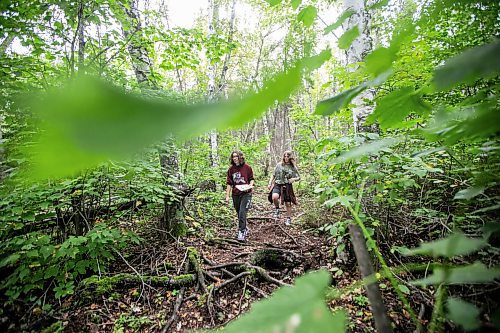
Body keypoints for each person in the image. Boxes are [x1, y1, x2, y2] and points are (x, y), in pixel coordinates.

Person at [226, 150, 254, 241]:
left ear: (240, 157)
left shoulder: (247, 168)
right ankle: (244, 228)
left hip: (246, 193)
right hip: (236, 194)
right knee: (239, 213)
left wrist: (250, 186)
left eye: (236, 156)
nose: (234, 158)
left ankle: (241, 232)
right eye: (233, 157)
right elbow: (229, 183)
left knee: (242, 212)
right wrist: (227, 196)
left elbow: (251, 179)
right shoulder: (231, 170)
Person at [268, 150, 300, 226]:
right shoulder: (279, 165)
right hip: (278, 183)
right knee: (274, 197)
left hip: (287, 185)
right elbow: (273, 175)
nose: (286, 158)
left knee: (288, 203)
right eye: (285, 156)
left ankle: (288, 218)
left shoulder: (293, 167)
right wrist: (269, 183)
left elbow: (298, 177)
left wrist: (293, 179)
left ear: (290, 157)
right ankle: (277, 209)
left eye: (287, 156)